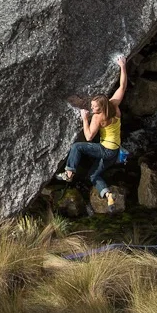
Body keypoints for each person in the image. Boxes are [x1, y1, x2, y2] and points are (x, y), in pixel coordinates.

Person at [56, 56, 127, 210]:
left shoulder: (97, 118)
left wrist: (84, 118)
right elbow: (122, 85)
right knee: (93, 176)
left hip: (105, 150)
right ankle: (108, 196)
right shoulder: (114, 105)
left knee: (77, 147)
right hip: (114, 152)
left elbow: (88, 137)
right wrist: (122, 66)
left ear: (101, 108)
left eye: (95, 107)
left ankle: (69, 173)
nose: (92, 108)